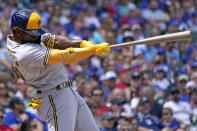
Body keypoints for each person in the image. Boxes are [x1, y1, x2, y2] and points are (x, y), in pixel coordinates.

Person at [6, 9, 110, 131]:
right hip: (53, 97)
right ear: (17, 31)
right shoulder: (23, 52)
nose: (37, 36)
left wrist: (82, 44)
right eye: (32, 33)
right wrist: (92, 50)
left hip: (66, 91)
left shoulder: (24, 37)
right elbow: (65, 56)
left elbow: (55, 41)